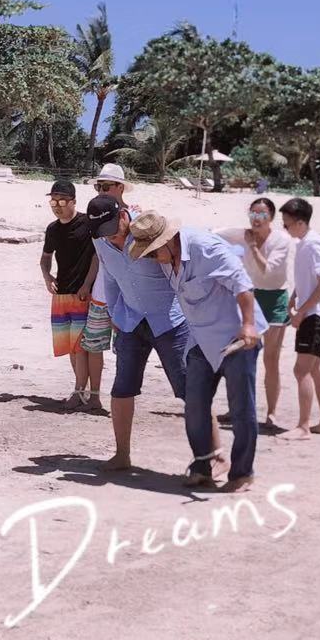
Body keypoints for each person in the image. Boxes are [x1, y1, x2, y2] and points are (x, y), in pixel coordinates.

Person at [130, 212, 263, 491]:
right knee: (194, 403)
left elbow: (243, 285)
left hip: (236, 336)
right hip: (200, 338)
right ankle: (203, 465)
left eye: (153, 252)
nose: (152, 258)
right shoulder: (167, 259)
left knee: (241, 407)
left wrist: (249, 325)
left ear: (168, 241)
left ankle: (242, 474)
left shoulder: (206, 248)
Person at [87, 194, 192, 471]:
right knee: (121, 389)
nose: (110, 237)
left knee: (191, 391)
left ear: (123, 215)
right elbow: (110, 277)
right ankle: (122, 455)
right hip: (130, 321)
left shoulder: (149, 231)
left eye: (113, 230)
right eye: (103, 233)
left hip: (170, 321)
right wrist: (113, 314)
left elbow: (179, 266)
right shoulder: (100, 240)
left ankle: (210, 458)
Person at [219, 197, 292, 432]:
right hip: (250, 296)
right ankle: (236, 408)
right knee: (240, 356)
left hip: (275, 299)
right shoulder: (242, 234)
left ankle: (271, 413)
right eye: (253, 214)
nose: (256, 219)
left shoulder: (281, 240)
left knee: (271, 359)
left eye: (262, 215)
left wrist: (251, 247)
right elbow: (213, 234)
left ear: (271, 217)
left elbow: (267, 269)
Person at [40, 180, 104, 410]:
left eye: (62, 201)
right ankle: (81, 391)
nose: (57, 206)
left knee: (83, 347)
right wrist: (47, 277)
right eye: (53, 201)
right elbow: (45, 257)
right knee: (70, 347)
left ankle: (84, 393)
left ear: (73, 201)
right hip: (61, 294)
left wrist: (87, 284)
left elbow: (97, 256)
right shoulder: (52, 229)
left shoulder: (88, 224)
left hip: (83, 294)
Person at [278, 198, 320, 440]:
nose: (285, 229)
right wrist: (294, 298)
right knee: (316, 369)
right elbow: (309, 280)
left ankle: (303, 426)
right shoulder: (305, 244)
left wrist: (301, 312)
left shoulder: (314, 245)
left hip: (315, 315)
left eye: (287, 224)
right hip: (314, 313)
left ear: (300, 222)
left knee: (301, 370)